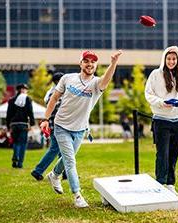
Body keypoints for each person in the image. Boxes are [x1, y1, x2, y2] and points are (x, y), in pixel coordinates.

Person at [40, 50, 122, 208]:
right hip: (61, 126)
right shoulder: (67, 78)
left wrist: (113, 63)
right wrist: (45, 118)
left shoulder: (97, 84)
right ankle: (77, 195)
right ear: (81, 63)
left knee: (66, 159)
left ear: (95, 65)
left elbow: (106, 79)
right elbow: (54, 98)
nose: (89, 64)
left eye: (92, 61)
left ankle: (54, 174)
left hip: (80, 129)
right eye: (86, 61)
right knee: (70, 161)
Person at [145, 46, 178, 197]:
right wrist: (162, 102)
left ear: (177, 60)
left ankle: (170, 184)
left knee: (174, 153)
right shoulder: (156, 74)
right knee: (162, 153)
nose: (171, 61)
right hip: (161, 121)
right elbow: (148, 94)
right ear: (164, 59)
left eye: (174, 59)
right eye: (169, 58)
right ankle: (160, 183)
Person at [31, 72, 65, 181]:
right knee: (55, 149)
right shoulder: (56, 93)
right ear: (59, 81)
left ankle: (66, 173)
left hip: (55, 125)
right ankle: (38, 170)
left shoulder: (52, 91)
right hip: (58, 125)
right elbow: (57, 109)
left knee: (63, 150)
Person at [6, 83, 35, 168]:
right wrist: (32, 123)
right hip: (23, 124)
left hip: (14, 124)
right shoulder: (27, 99)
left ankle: (15, 158)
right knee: (22, 143)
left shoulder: (12, 100)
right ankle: (20, 163)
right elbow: (30, 112)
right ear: (24, 90)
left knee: (16, 142)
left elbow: (8, 114)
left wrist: (8, 126)